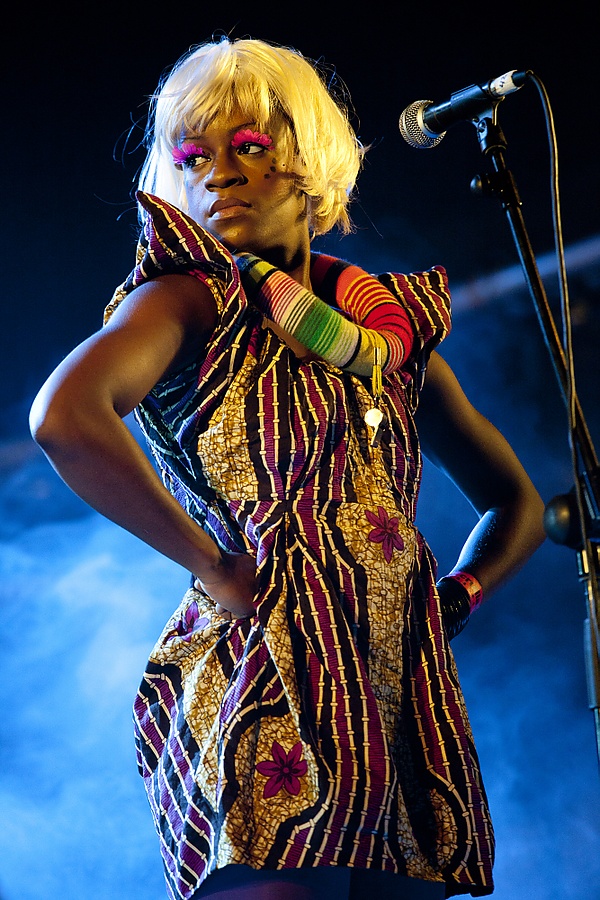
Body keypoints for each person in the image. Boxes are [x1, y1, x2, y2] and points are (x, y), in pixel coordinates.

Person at [29, 36, 546, 900]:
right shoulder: (191, 298)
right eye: (193, 157)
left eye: (249, 147)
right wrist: (212, 565)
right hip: (260, 676)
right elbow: (64, 418)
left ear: (311, 160)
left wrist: (454, 597)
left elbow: (518, 503)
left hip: (392, 695)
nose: (220, 175)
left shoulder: (387, 344)